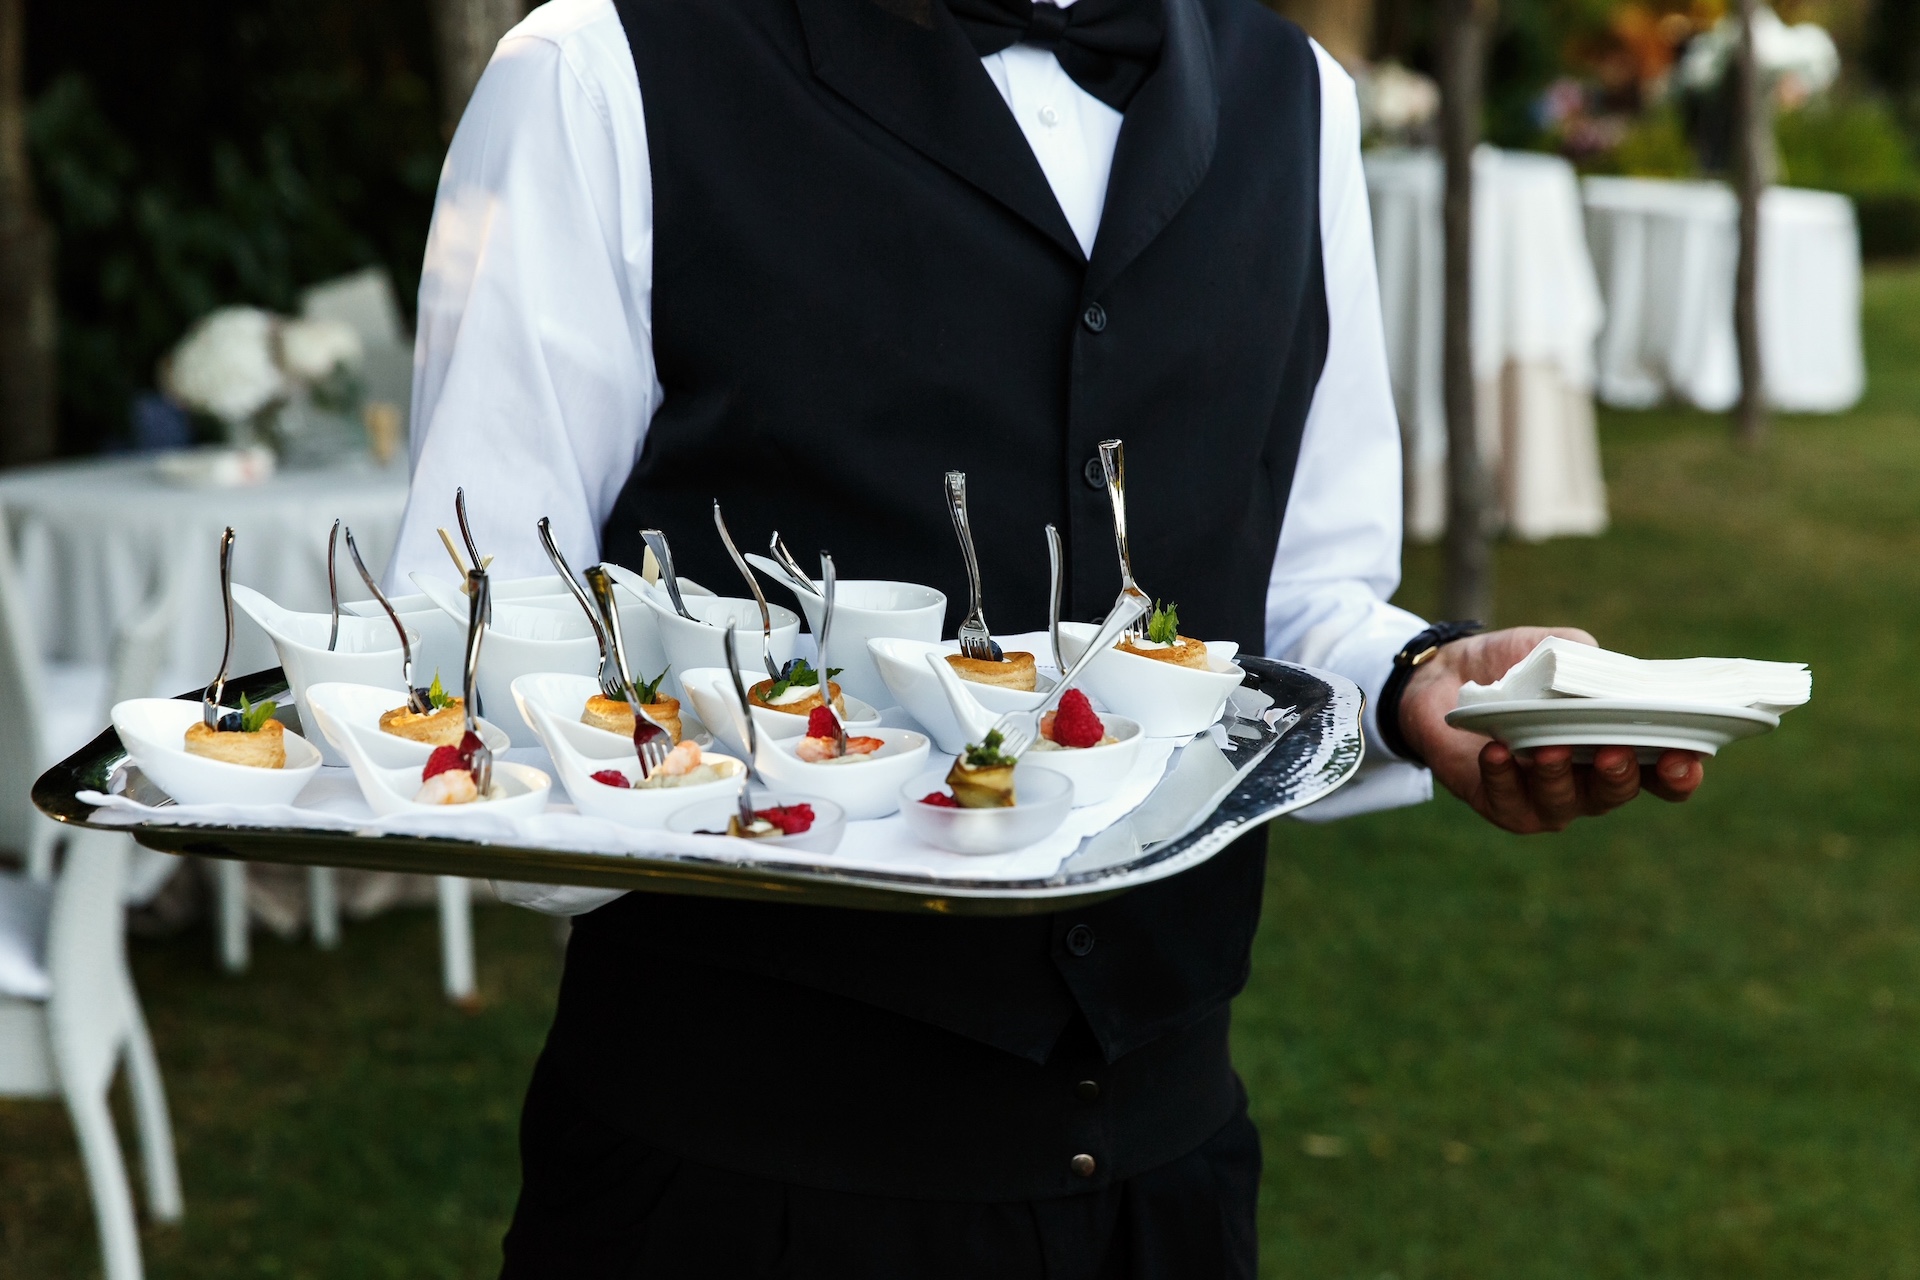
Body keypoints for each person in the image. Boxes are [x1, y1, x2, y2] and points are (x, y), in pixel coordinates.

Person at [388, 0, 1707, 1273]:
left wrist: (1420, 682)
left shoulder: (1294, 97)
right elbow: (483, 642)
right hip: (737, 1182)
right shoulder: (596, 68)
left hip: (1166, 1177)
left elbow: (1300, 596)